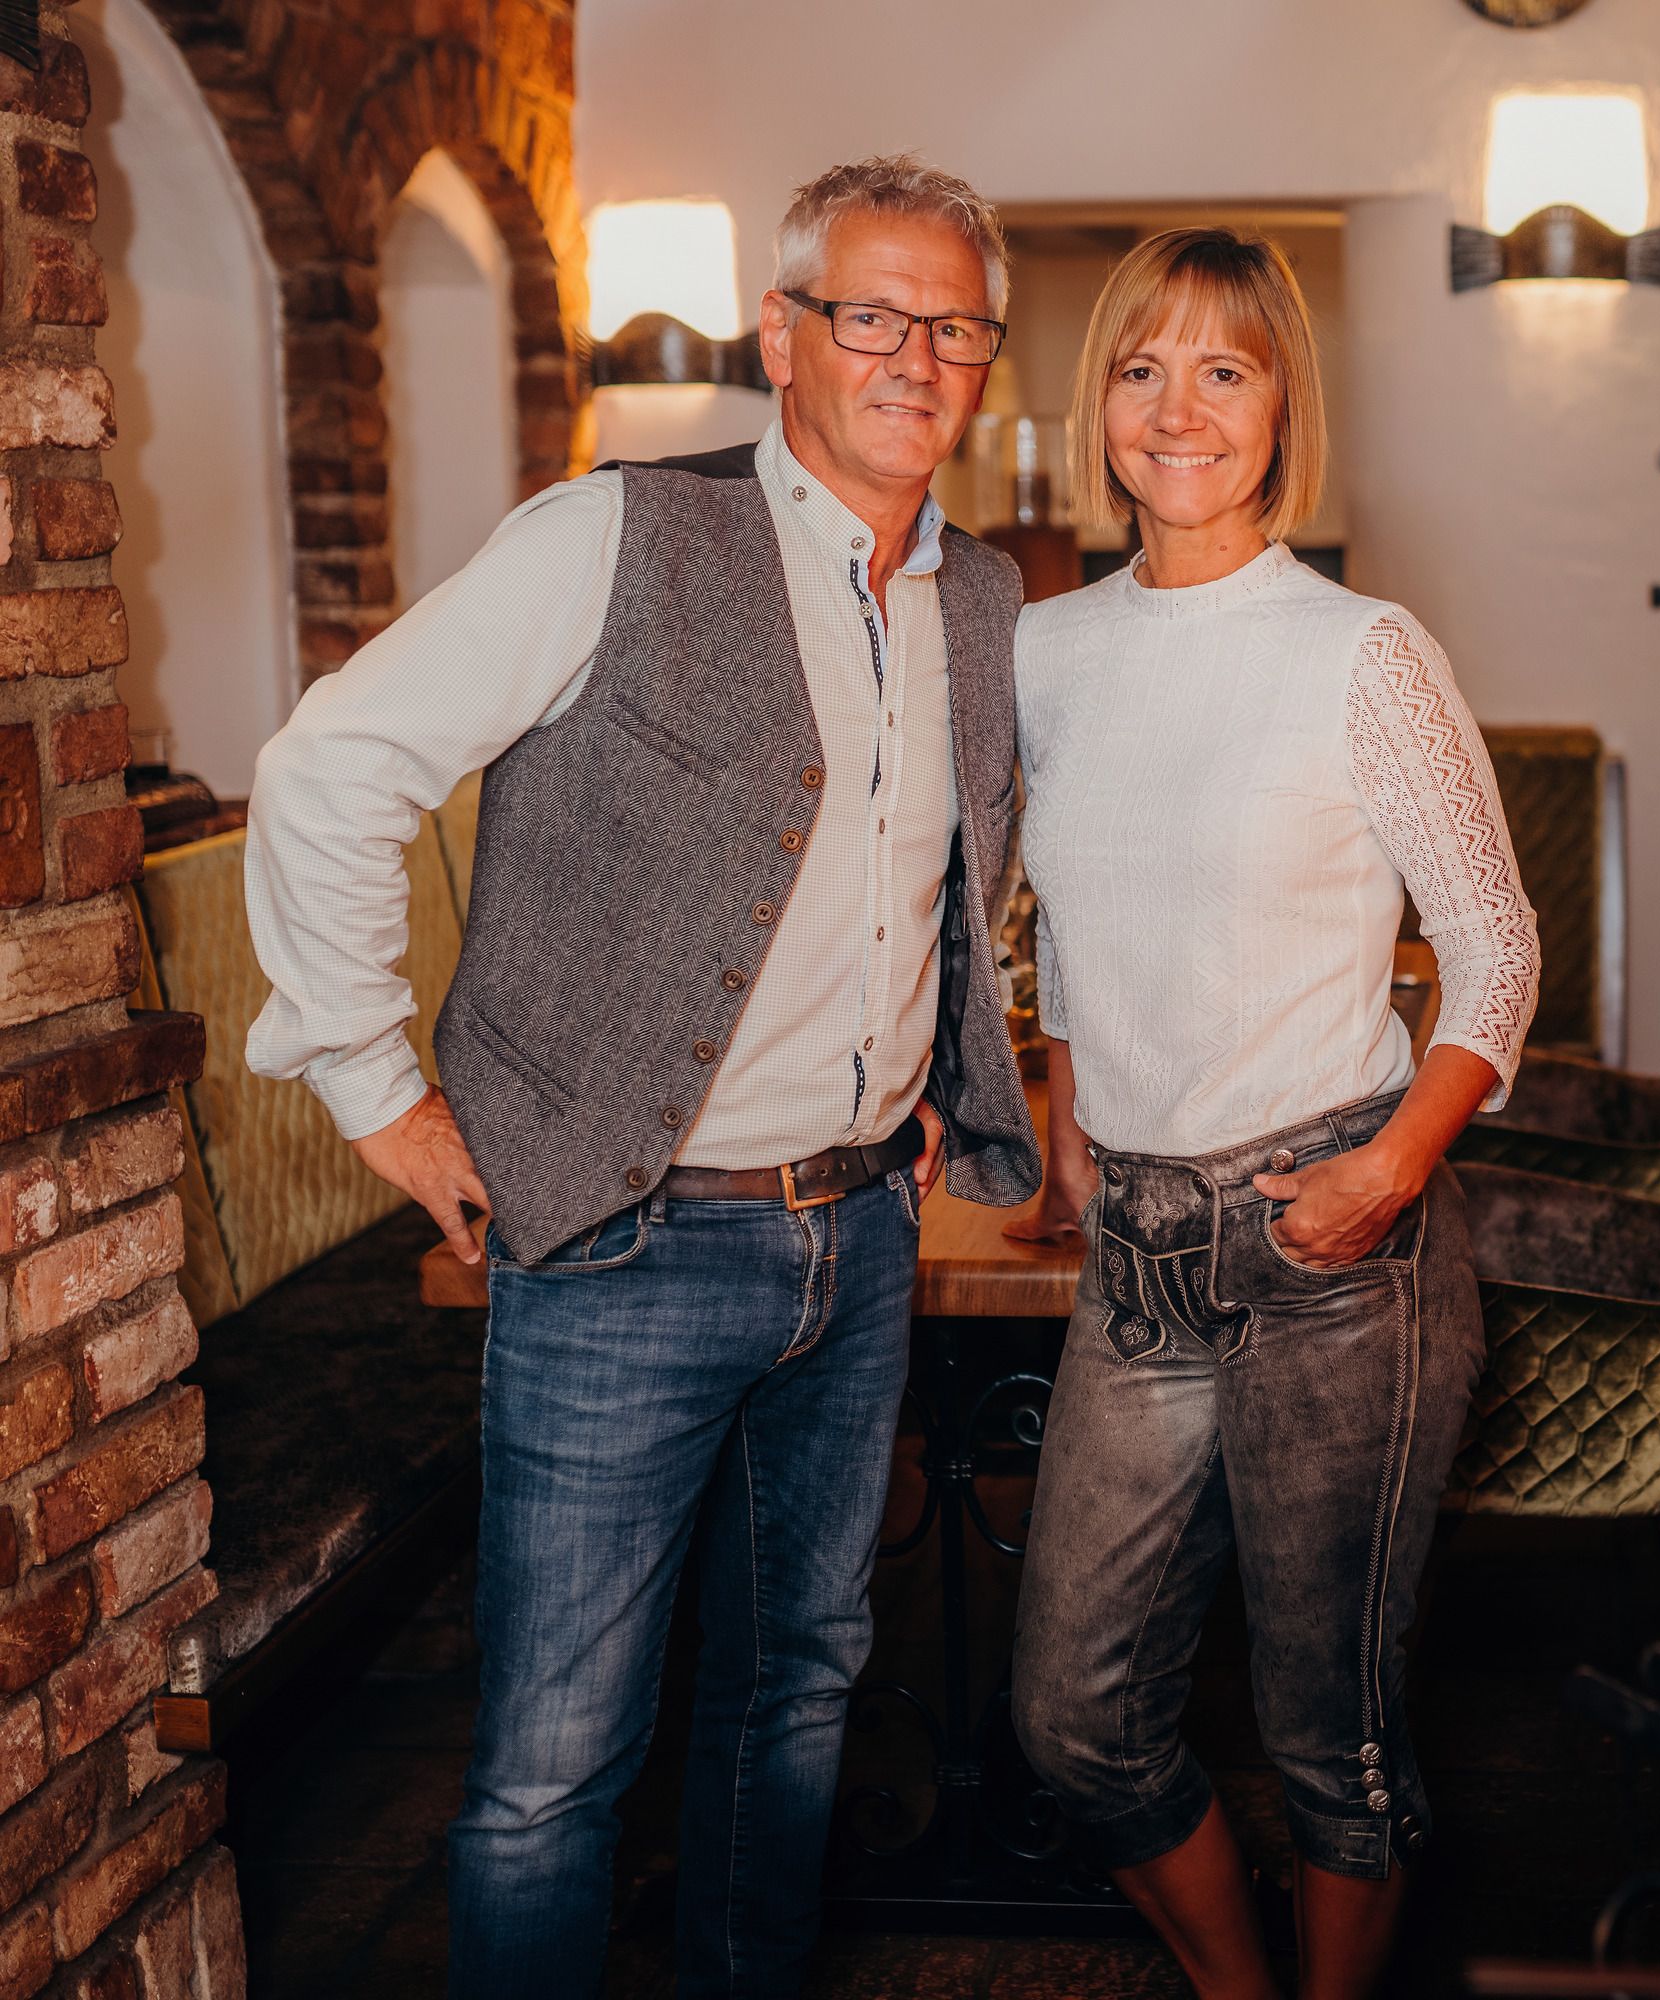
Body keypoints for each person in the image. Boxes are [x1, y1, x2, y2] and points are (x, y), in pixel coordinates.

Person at [241, 156, 1037, 1998]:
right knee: (553, 1765)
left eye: (957, 328)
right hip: (622, 1243)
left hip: (860, 1237)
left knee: (799, 1695)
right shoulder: (611, 536)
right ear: (784, 334)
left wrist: (921, 1066)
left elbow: (928, 875)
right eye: (872, 314)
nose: (915, 357)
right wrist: (372, 1085)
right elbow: (331, 771)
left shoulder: (987, 598)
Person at [1007, 226, 1540, 2000]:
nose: (1179, 409)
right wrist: (1072, 1134)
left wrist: (1387, 1172)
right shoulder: (1046, 651)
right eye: (1142, 369)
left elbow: (1496, 952)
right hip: (1139, 1261)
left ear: (1280, 410)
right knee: (1074, 1717)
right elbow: (1063, 929)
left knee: (1334, 1735)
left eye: (1222, 370)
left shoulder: (1360, 651)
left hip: (1337, 1259)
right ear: (1099, 408)